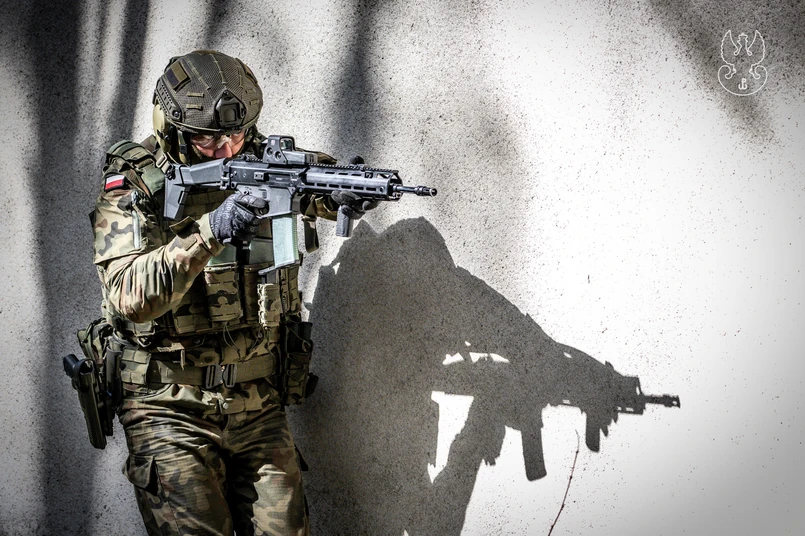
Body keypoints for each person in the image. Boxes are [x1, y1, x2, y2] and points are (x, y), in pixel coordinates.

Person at [92, 49, 372, 536]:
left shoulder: (263, 160)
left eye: (237, 135)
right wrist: (210, 231)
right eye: (208, 139)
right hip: (168, 405)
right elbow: (130, 295)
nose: (226, 150)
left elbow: (319, 187)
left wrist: (347, 193)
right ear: (171, 128)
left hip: (257, 402)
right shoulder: (134, 184)